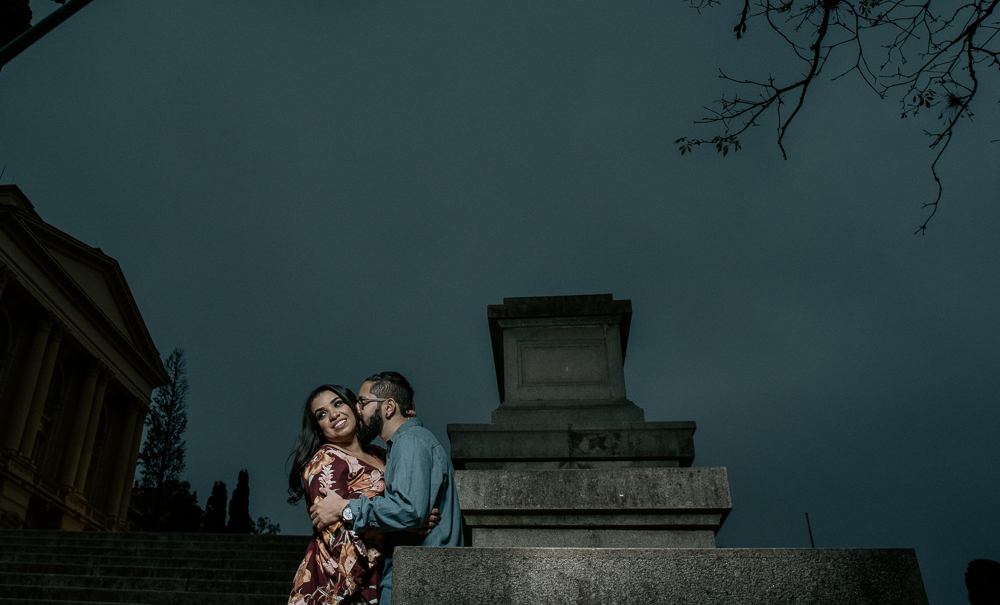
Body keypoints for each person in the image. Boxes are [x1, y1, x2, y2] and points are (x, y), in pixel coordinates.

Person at [309, 372, 464, 605]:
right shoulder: (396, 448)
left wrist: (345, 508)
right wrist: (404, 524)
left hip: (420, 577)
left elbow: (409, 510)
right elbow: (409, 512)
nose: (357, 409)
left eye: (362, 402)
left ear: (389, 407)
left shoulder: (409, 442)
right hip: (398, 575)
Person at [287, 384, 387, 605]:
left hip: (380, 575)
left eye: (338, 403)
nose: (333, 415)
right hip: (336, 587)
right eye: (322, 414)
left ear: (354, 407)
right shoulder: (326, 461)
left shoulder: (380, 454)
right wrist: (408, 527)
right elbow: (340, 536)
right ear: (319, 428)